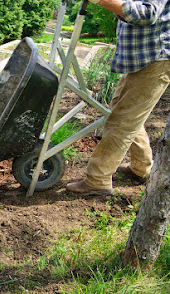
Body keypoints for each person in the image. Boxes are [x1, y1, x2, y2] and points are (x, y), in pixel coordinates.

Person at [66, 0, 170, 195]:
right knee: (123, 113)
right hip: (142, 58)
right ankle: (142, 168)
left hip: (155, 58)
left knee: (122, 121)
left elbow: (147, 13)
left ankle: (97, 180)